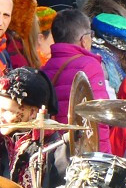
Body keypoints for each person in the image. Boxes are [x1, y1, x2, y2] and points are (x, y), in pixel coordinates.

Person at [41, 9, 111, 153]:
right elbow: (99, 117)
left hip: (55, 150)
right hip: (82, 150)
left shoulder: (44, 69)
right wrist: (103, 155)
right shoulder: (89, 65)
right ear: (84, 40)